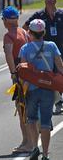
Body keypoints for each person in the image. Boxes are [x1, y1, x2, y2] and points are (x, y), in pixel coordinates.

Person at [19, 19, 63, 160]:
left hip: (31, 89)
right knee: (45, 122)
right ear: (43, 32)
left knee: (31, 119)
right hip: (48, 89)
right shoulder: (52, 46)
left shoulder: (25, 49)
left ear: (30, 33)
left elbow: (22, 71)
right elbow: (60, 66)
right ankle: (45, 154)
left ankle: (34, 148)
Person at [23, 0, 63, 115]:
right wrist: (31, 43)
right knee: (52, 75)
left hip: (61, 48)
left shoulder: (61, 14)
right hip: (46, 50)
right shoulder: (39, 15)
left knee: (60, 74)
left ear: (56, 1)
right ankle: (58, 103)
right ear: (45, 1)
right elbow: (25, 27)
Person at [2, 6, 32, 153]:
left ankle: (28, 142)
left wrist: (13, 73)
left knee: (21, 109)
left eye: (3, 19)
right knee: (28, 107)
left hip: (20, 75)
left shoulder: (8, 36)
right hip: (30, 74)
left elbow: (8, 54)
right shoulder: (24, 33)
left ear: (6, 20)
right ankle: (28, 141)